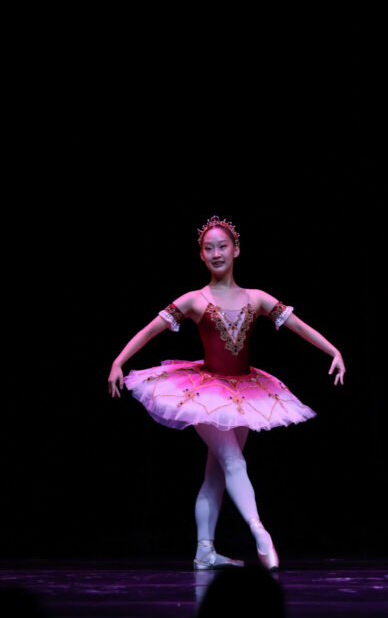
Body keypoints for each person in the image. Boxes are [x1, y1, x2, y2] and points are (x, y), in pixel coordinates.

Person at [108, 216, 345, 570]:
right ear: (201, 255)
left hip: (245, 392)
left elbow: (298, 325)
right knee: (233, 461)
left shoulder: (256, 298)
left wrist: (333, 351)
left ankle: (204, 550)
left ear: (236, 250)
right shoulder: (194, 300)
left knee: (217, 473)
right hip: (204, 393)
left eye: (222, 246)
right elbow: (149, 330)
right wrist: (118, 361)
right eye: (209, 248)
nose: (216, 253)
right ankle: (259, 531)